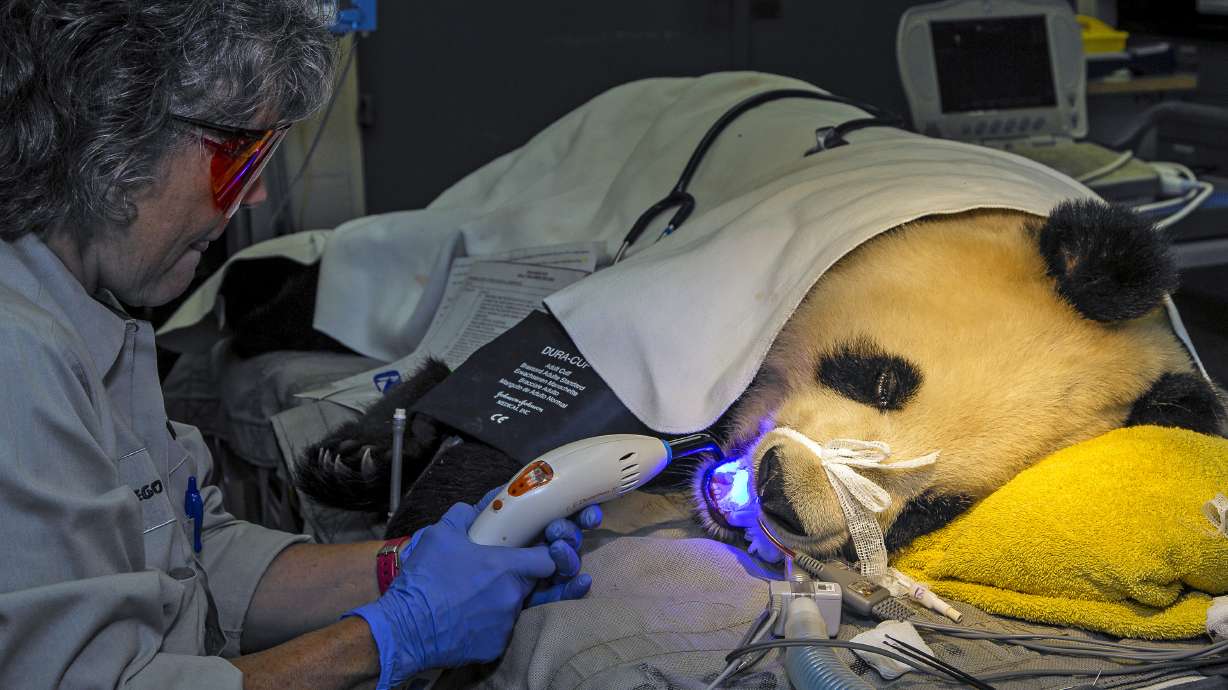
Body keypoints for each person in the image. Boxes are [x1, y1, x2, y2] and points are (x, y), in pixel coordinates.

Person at [0, 2, 600, 688]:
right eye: (241, 153)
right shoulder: (15, 355)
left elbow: (197, 559)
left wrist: (411, 565)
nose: (256, 192)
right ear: (110, 137)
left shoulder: (87, 309)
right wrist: (394, 636)